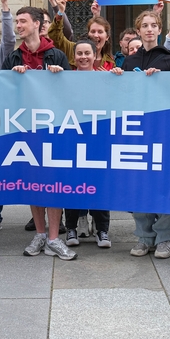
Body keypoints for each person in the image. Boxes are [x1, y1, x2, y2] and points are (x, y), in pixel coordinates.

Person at [2, 7, 76, 260]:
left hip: (54, 131)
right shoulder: (13, 57)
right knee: (33, 183)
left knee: (53, 183)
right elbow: (2, 93)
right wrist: (12, 78)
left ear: (37, 24)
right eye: (17, 22)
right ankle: (40, 234)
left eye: (22, 21)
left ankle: (55, 238)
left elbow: (70, 94)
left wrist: (60, 77)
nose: (18, 25)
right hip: (25, 131)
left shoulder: (56, 54)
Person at [123, 9, 170, 259]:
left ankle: (165, 238)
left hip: (164, 130)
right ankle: (144, 236)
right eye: (144, 26)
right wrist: (116, 78)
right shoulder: (129, 61)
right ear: (138, 31)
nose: (149, 29)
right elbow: (122, 95)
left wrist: (163, 81)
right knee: (140, 186)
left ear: (159, 30)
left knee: (166, 183)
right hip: (137, 130)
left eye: (153, 25)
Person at [63, 40, 115, 249]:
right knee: (71, 185)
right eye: (79, 53)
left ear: (95, 55)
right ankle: (71, 228)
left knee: (100, 185)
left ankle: (102, 230)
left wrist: (117, 79)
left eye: (87, 53)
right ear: (74, 57)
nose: (83, 57)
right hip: (72, 140)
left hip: (98, 140)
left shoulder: (106, 78)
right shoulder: (64, 79)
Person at [48, 0, 115, 70]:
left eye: (100, 32)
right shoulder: (73, 48)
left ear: (107, 37)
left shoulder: (110, 61)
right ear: (88, 33)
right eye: (92, 31)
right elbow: (55, 35)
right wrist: (60, 11)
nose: (96, 35)